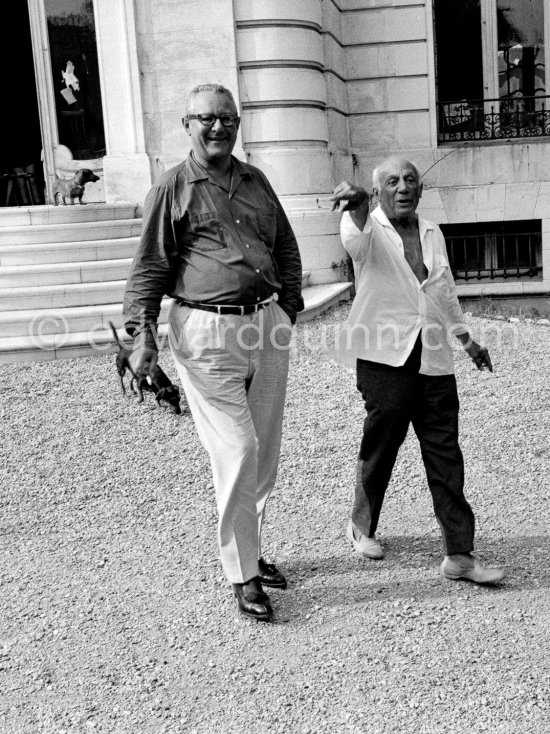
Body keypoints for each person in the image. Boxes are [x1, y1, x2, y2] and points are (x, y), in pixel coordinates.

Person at [123, 84, 303, 621]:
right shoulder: (171, 188)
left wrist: (287, 308)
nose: (219, 127)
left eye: (228, 119)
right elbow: (149, 270)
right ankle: (242, 575)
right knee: (238, 448)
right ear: (187, 124)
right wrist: (142, 337)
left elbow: (286, 246)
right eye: (207, 118)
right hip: (205, 330)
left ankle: (251, 548)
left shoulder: (255, 181)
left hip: (266, 325)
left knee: (263, 453)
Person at [330, 157, 504, 584]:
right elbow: (354, 241)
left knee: (446, 452)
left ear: (421, 190)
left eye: (410, 180)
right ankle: (361, 526)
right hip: (384, 359)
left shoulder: (431, 231)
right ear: (377, 192)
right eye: (392, 182)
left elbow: (443, 290)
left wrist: (467, 341)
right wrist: (355, 205)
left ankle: (459, 554)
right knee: (381, 446)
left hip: (433, 359)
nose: (403, 187)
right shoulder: (368, 228)